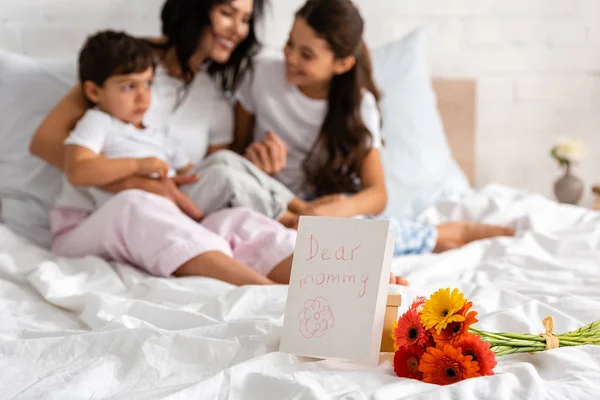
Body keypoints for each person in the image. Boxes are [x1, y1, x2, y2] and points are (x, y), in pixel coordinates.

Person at [29, 0, 405, 286]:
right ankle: (270, 295)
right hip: (98, 217)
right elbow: (46, 143)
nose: (239, 30)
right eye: (228, 13)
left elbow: (210, 180)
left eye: (246, 19)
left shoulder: (215, 94)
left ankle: (355, 280)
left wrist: (254, 174)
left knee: (241, 220)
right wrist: (133, 180)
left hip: (175, 214)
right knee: (136, 204)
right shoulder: (126, 66)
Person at [233, 0, 515, 256]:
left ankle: (443, 233)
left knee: (344, 237)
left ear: (341, 64)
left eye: (306, 54)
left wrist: (340, 209)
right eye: (289, 43)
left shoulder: (358, 107)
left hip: (328, 207)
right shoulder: (258, 76)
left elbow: (377, 194)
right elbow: (235, 155)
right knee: (252, 233)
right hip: (275, 204)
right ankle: (431, 237)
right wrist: (255, 166)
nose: (291, 58)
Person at [58, 29, 306, 228]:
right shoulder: (98, 121)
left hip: (176, 192)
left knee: (224, 160)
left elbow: (189, 170)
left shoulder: (154, 133)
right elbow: (77, 170)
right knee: (225, 178)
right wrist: (138, 166)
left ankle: (301, 207)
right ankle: (290, 221)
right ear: (93, 91)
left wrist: (196, 173)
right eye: (128, 87)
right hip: (154, 206)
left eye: (148, 85)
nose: (143, 97)